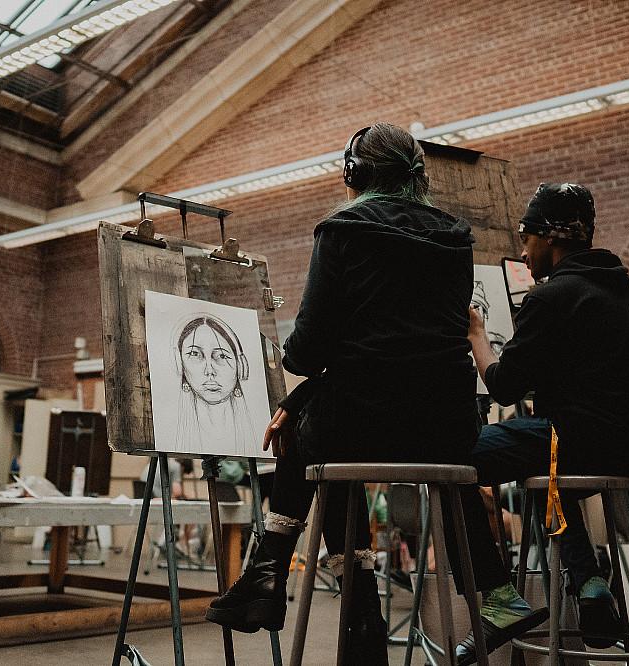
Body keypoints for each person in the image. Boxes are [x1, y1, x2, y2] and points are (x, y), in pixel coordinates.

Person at [205, 123, 484, 662]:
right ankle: (360, 618)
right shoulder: (456, 237)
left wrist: (298, 379)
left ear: (353, 175)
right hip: (446, 431)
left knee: (308, 435)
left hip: (360, 425)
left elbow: (307, 352)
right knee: (318, 420)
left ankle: (273, 577)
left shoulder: (343, 229)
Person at [456, 183, 629, 663]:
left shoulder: (553, 298)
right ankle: (590, 583)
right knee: (547, 472)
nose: (523, 250)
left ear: (549, 239)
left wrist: (477, 335)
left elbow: (505, 385)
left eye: (526, 238)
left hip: (580, 442)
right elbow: (595, 376)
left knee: (452, 461)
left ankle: (498, 600)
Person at [173, 314, 258, 454]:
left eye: (222, 356)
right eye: (195, 354)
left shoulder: (251, 433)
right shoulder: (176, 433)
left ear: (240, 366)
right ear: (180, 364)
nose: (209, 370)